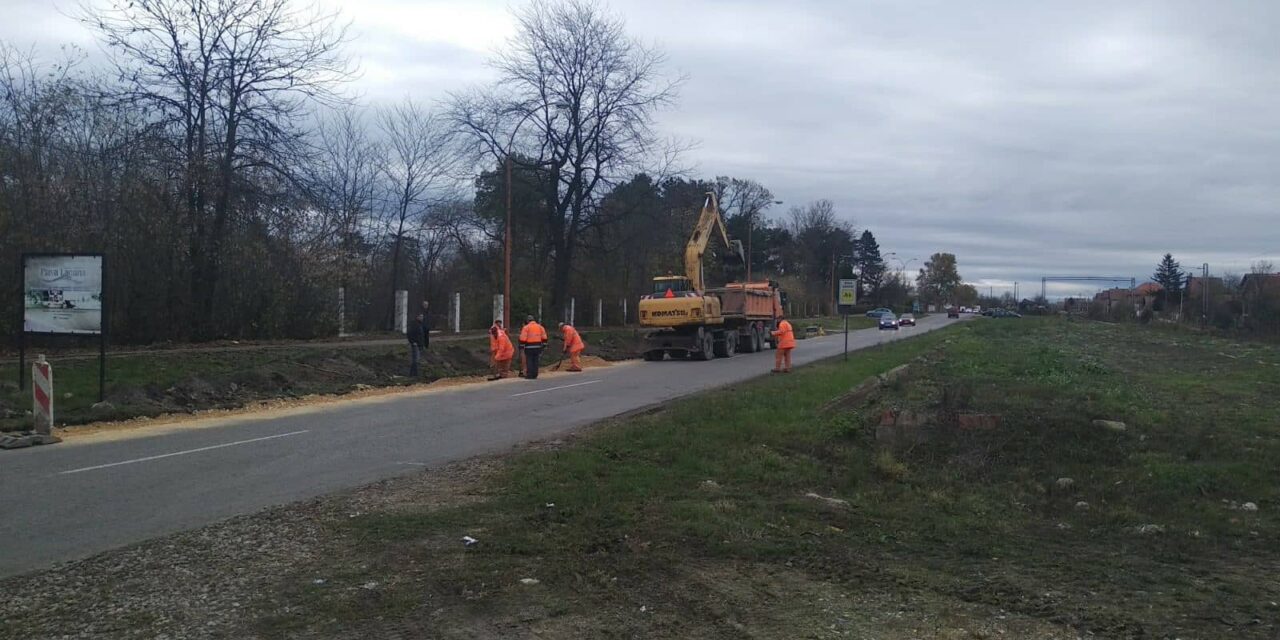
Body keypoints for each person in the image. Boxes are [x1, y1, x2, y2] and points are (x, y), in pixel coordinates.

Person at [518, 315, 549, 379]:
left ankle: (530, 375)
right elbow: (544, 337)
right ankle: (535, 374)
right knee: (536, 361)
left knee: (529, 361)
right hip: (538, 346)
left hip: (529, 347)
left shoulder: (526, 327)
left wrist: (521, 346)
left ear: (527, 321)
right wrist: (544, 345)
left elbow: (523, 338)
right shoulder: (540, 327)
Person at [407, 312, 427, 377]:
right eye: (420, 316)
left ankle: (414, 374)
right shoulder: (414, 324)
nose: (422, 318)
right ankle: (414, 374)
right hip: (415, 345)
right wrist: (413, 342)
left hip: (419, 344)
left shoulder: (420, 324)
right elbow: (409, 334)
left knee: (417, 360)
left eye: (422, 316)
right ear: (417, 317)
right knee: (415, 360)